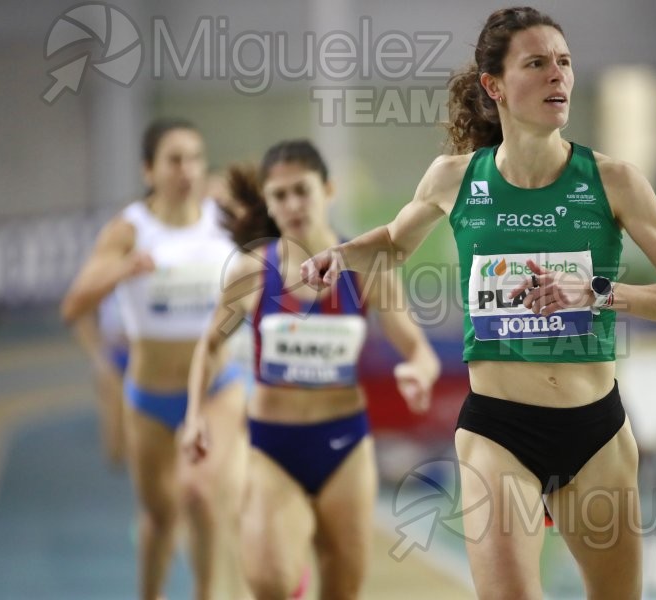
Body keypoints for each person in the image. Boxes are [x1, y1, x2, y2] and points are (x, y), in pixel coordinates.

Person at [301, 7, 656, 599]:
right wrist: (341, 255)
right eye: (537, 64)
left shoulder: (614, 180)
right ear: (494, 86)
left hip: (594, 429)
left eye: (564, 63)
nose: (558, 77)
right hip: (498, 430)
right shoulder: (455, 178)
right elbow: (392, 242)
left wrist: (595, 291)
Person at [181, 139, 441, 600]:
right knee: (270, 583)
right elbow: (209, 346)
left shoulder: (367, 268)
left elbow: (418, 348)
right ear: (268, 203)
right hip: (272, 445)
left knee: (343, 587)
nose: (293, 204)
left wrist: (418, 372)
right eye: (279, 196)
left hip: (344, 445)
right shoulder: (251, 271)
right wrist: (195, 415)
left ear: (328, 189)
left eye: (302, 190)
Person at [60, 118, 250, 600]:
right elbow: (73, 305)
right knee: (161, 516)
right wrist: (123, 269)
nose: (186, 169)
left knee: (201, 493)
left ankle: (206, 593)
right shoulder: (130, 230)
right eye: (174, 159)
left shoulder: (224, 219)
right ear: (149, 169)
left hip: (215, 388)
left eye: (194, 157)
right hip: (147, 398)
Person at [69, 293, 129, 467]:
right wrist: (97, 358)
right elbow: (78, 314)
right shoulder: (104, 274)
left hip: (146, 356)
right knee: (116, 450)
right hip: (115, 356)